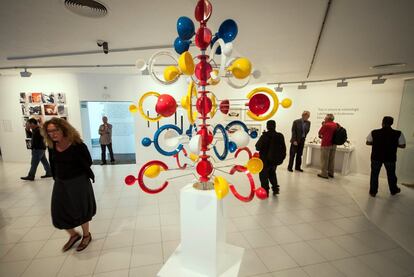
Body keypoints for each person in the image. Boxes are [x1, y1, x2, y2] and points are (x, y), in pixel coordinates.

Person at [42, 117, 96, 252]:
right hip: (61, 182)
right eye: (49, 131)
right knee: (58, 212)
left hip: (78, 181)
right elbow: (53, 164)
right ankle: (73, 235)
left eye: (55, 130)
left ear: (63, 129)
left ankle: (86, 235)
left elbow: (88, 161)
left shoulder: (77, 144)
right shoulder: (52, 146)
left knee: (81, 210)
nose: (52, 134)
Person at [366, 116, 406, 197]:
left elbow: (368, 142)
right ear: (392, 123)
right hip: (390, 158)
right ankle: (393, 190)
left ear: (382, 122)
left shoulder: (374, 132)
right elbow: (403, 145)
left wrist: (377, 143)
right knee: (391, 175)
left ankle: (373, 192)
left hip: (376, 157)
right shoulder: (398, 133)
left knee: (374, 174)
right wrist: (394, 144)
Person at [255, 120, 286, 196]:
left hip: (265, 160)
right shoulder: (280, 136)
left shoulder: (264, 136)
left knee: (263, 175)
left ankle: (265, 191)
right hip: (274, 160)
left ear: (267, 126)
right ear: (275, 126)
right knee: (272, 174)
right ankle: (275, 189)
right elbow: (284, 148)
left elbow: (257, 147)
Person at [317, 114, 337, 179]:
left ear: (328, 119)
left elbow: (320, 132)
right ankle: (331, 173)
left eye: (325, 118)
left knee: (324, 159)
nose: (324, 119)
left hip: (326, 144)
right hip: (334, 144)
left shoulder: (326, 125)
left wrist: (323, 124)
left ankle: (324, 174)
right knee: (332, 159)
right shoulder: (336, 125)